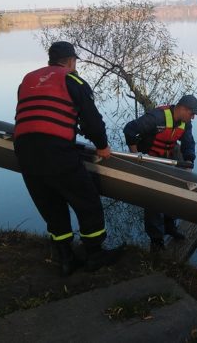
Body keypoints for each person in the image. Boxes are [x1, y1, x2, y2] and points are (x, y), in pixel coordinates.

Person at [14, 41, 120, 276]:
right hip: (57, 152)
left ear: (51, 60)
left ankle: (66, 259)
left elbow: (27, 113)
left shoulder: (27, 80)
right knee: (87, 201)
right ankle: (95, 255)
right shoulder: (73, 80)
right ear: (71, 61)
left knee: (51, 205)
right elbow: (92, 121)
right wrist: (102, 146)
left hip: (24, 151)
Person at [123, 94, 197, 251]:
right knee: (153, 199)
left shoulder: (185, 123)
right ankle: (156, 240)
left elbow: (188, 142)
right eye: (192, 113)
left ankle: (169, 226)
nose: (193, 117)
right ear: (182, 108)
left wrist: (189, 161)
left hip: (167, 159)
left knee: (173, 192)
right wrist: (135, 154)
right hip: (149, 160)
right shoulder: (157, 117)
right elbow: (129, 129)